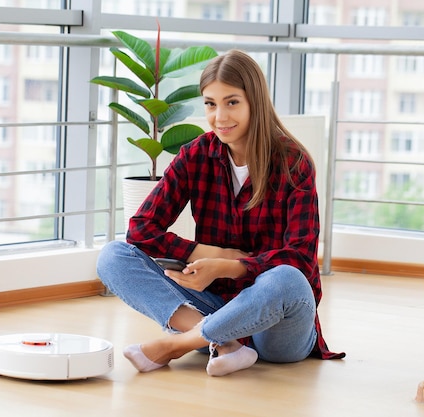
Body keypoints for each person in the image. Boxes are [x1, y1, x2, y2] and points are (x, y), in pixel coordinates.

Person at [96, 49, 344, 377]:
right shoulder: (197, 155)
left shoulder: (292, 162)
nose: (220, 117)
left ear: (255, 101)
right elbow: (141, 229)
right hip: (216, 306)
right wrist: (210, 255)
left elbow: (299, 258)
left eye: (232, 102)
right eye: (210, 104)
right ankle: (225, 344)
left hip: (277, 332)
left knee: (286, 278)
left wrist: (232, 267)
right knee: (113, 256)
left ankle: (177, 345)